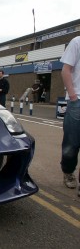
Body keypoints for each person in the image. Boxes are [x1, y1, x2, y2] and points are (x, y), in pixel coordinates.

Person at [59, 36, 80, 196]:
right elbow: (66, 69)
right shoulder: (77, 42)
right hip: (77, 101)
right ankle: (68, 171)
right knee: (71, 144)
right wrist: (73, 96)